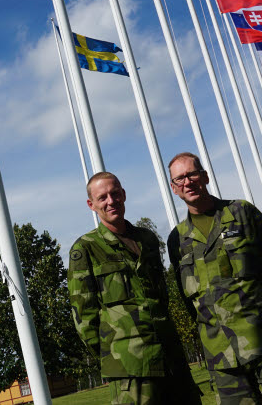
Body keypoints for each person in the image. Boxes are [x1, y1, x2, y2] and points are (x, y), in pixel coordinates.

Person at [166, 152, 262, 405]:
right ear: (174, 188)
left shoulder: (243, 212)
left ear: (205, 177)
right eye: (180, 179)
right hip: (222, 357)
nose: (187, 182)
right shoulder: (177, 239)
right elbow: (186, 299)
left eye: (192, 174)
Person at [68, 172, 202, 405]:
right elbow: (84, 319)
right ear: (92, 205)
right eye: (102, 198)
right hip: (130, 369)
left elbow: (161, 295)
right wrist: (114, 356)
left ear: (124, 195)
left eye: (115, 193)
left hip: (171, 357)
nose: (111, 201)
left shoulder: (147, 239)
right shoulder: (85, 249)